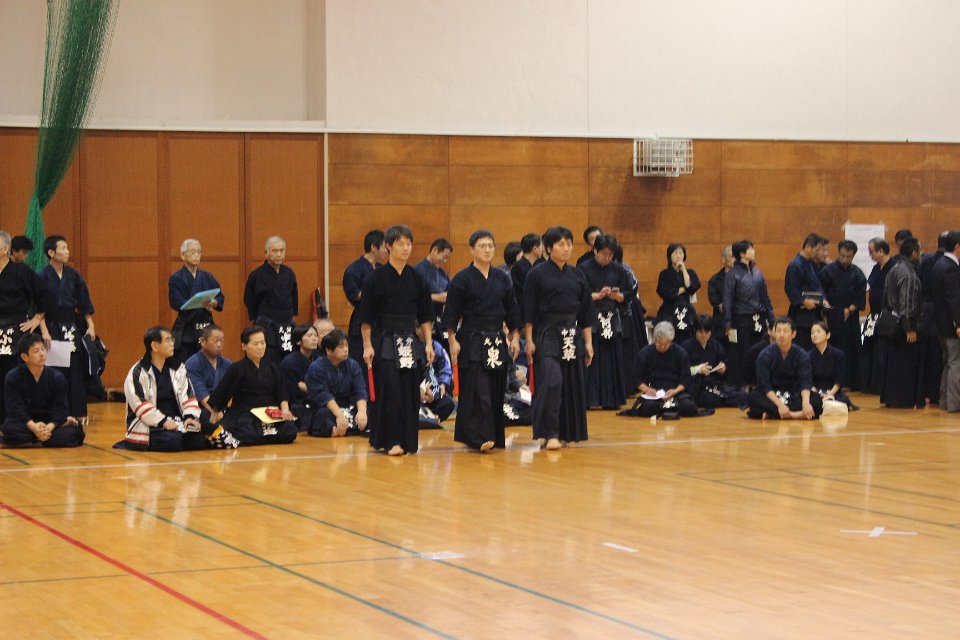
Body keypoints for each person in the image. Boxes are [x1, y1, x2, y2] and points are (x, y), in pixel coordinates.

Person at [442, 229, 522, 452]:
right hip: (472, 339)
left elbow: (513, 311)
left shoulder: (502, 278)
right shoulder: (462, 279)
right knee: (478, 389)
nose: (487, 250)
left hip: (496, 338)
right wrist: (452, 340)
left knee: (495, 390)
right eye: (482, 246)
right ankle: (479, 437)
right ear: (472, 250)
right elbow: (451, 314)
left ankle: (492, 434)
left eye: (490, 246)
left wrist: (515, 337)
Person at [360, 224, 435, 456]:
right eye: (400, 244)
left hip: (410, 340)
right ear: (388, 246)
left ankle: (408, 441)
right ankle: (391, 440)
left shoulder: (417, 277)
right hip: (385, 339)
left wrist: (429, 343)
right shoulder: (376, 278)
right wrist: (367, 345)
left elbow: (425, 315)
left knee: (410, 391)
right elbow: (366, 317)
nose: (405, 248)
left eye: (408, 244)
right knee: (390, 389)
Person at [523, 226, 593, 450]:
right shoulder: (536, 274)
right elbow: (528, 311)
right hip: (546, 334)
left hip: (572, 334)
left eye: (569, 244)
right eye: (561, 244)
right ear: (548, 248)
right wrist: (529, 340)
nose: (566, 249)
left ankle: (565, 433)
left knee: (570, 385)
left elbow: (586, 312)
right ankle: (549, 432)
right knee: (551, 382)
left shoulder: (577, 274)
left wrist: (588, 343)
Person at [120, 326, 213, 452]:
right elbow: (140, 405)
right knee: (172, 441)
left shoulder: (179, 368)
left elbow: (189, 396)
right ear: (154, 346)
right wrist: (163, 421)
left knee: (198, 440)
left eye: (172, 340)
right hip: (149, 425)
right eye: (168, 340)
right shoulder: (138, 372)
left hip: (176, 421)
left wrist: (189, 417)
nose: (172, 343)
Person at [207, 325, 298, 446]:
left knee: (290, 430)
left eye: (263, 343)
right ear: (244, 346)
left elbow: (281, 392)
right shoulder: (237, 368)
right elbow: (222, 393)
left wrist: (285, 410)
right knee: (245, 432)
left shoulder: (272, 368)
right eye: (255, 344)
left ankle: (262, 436)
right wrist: (213, 421)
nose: (260, 347)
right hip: (245, 413)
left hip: (268, 413)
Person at [37, 235, 96, 424]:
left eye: (67, 247)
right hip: (51, 325)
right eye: (63, 248)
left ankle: (78, 411)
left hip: (71, 325)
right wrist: (44, 331)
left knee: (76, 368)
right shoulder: (42, 276)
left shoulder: (73, 275)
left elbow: (84, 301)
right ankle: (57, 412)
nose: (67, 251)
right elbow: (38, 308)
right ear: (51, 252)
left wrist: (90, 324)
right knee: (55, 370)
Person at [0, 230, 53, 422]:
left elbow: (44, 294)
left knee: (12, 375)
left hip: (15, 331)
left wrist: (37, 318)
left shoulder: (21, 272)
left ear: (5, 249)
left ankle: (15, 420)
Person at [578, 234, 633, 409]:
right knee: (592, 355)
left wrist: (618, 296)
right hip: (592, 315)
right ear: (595, 251)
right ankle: (590, 399)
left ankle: (611, 399)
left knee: (612, 356)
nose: (607, 258)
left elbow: (629, 292)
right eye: (603, 254)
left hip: (611, 315)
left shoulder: (618, 269)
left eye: (610, 255)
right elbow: (579, 293)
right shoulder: (584, 268)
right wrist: (597, 295)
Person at [1, 333, 83, 447]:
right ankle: (41, 439)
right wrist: (34, 427)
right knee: (9, 429)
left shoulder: (57, 377)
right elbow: (15, 408)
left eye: (43, 349)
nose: (42, 354)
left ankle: (32, 441)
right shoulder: (13, 377)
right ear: (25, 357)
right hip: (26, 423)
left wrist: (49, 427)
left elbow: (61, 408)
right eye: (36, 351)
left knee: (71, 434)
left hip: (50, 423)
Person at [746, 317, 822, 420]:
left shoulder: (802, 355)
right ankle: (798, 414)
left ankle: (774, 414)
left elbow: (805, 382)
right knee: (753, 398)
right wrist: (780, 405)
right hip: (772, 395)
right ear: (774, 333)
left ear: (793, 334)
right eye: (778, 331)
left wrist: (805, 403)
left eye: (785, 331)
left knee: (817, 400)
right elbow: (764, 386)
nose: (781, 335)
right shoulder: (764, 355)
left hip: (794, 394)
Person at [723, 239, 775, 388]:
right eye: (750, 249)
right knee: (743, 352)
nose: (753, 251)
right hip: (741, 319)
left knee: (760, 349)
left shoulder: (758, 273)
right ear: (741, 254)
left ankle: (759, 382)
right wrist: (728, 323)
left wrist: (771, 317)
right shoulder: (732, 274)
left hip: (759, 318)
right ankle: (743, 384)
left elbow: (765, 297)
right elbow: (728, 300)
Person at [880, 237, 924, 409]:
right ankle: (903, 399)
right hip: (903, 326)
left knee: (894, 363)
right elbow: (907, 303)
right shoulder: (908, 273)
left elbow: (886, 298)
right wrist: (909, 328)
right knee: (905, 364)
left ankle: (892, 397)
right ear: (913, 253)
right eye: (919, 251)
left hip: (892, 322)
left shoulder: (894, 268)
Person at [818, 239, 866, 390]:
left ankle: (851, 383)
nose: (844, 259)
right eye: (842, 255)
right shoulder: (827, 272)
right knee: (834, 348)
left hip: (850, 318)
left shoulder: (858, 274)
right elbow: (822, 295)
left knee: (851, 349)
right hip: (832, 316)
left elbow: (860, 298)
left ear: (853, 256)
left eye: (848, 257)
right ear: (838, 253)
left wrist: (850, 309)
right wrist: (827, 310)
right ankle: (832, 382)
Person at [243, 235, 298, 366]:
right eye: (274, 251)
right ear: (266, 253)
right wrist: (257, 318)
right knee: (268, 359)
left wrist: (291, 316)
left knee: (287, 359)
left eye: (281, 250)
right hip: (267, 324)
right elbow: (249, 299)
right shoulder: (257, 274)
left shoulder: (289, 273)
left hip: (286, 324)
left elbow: (294, 296)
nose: (278, 254)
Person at [304, 328, 369, 437]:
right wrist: (339, 415)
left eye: (347, 346)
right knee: (322, 415)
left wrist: (362, 412)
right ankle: (341, 428)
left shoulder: (352, 365)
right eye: (341, 346)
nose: (346, 349)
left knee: (370, 411)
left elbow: (360, 390)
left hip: (348, 407)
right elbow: (323, 395)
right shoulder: (316, 367)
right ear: (329, 350)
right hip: (326, 408)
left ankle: (344, 428)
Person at [168, 239, 224, 363]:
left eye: (199, 252)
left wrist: (214, 302)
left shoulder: (207, 276)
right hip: (186, 327)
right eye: (193, 252)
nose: (197, 255)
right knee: (184, 365)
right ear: (183, 255)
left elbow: (220, 297)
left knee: (207, 362)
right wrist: (199, 303)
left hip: (205, 325)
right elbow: (176, 302)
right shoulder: (176, 278)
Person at [627, 321, 698, 418]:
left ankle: (666, 409)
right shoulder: (644, 354)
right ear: (654, 339)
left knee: (689, 407)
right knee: (648, 408)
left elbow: (686, 379)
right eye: (659, 344)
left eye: (666, 344)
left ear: (671, 341)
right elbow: (636, 378)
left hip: (676, 392)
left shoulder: (681, 353)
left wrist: (675, 391)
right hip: (654, 393)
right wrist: (647, 389)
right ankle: (671, 409)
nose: (663, 347)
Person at [680, 315, 746, 409]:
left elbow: (725, 361)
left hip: (715, 384)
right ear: (695, 331)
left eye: (707, 332)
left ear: (711, 331)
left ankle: (723, 399)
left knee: (742, 395)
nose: (704, 335)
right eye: (701, 332)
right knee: (709, 399)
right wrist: (698, 369)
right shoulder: (686, 347)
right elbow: (681, 370)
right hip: (698, 386)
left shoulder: (715, 345)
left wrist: (723, 367)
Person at [343, 229, 386, 367]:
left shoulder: (381, 269)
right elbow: (354, 295)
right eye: (384, 247)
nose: (387, 251)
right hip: (361, 322)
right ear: (374, 247)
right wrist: (377, 292)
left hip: (381, 323)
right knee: (361, 364)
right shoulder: (354, 269)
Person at [918, 231, 950, 405]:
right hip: (942, 312)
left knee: (928, 354)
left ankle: (927, 392)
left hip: (925, 311)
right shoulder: (949, 263)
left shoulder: (926, 260)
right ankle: (939, 393)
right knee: (941, 355)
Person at [931, 230, 960, 412]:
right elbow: (954, 299)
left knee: (949, 363)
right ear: (957, 247)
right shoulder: (951, 268)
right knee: (956, 363)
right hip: (951, 326)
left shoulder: (938, 264)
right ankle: (954, 404)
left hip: (940, 324)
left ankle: (945, 401)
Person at [860, 237, 893, 394]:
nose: (870, 255)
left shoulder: (893, 267)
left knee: (882, 350)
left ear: (881, 251)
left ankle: (881, 385)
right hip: (873, 315)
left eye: (872, 251)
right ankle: (869, 384)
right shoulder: (875, 268)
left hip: (886, 316)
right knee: (868, 348)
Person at [184, 324, 231, 429]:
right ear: (203, 341)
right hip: (203, 410)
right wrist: (216, 411)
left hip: (222, 410)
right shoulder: (193, 363)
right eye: (216, 341)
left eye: (221, 341)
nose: (219, 344)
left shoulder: (226, 363)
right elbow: (203, 397)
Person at [784, 234, 827, 349]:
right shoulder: (795, 265)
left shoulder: (810, 264)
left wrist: (823, 300)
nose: (818, 253)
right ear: (808, 247)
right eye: (817, 250)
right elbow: (790, 288)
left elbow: (816, 285)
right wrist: (803, 301)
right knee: (802, 346)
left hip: (813, 313)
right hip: (800, 316)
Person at [656, 242, 701, 344]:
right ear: (669, 256)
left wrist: (683, 269)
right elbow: (664, 292)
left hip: (686, 309)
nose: (678, 256)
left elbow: (691, 287)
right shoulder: (664, 274)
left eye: (681, 253)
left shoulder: (690, 272)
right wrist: (682, 290)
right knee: (669, 338)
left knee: (687, 339)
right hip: (669, 310)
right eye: (675, 253)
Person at [279, 323, 320, 432]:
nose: (314, 338)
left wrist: (307, 387)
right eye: (309, 335)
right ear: (298, 341)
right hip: (297, 404)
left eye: (315, 335)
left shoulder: (318, 359)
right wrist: (313, 388)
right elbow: (291, 390)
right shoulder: (289, 362)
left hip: (316, 401)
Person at [808, 321, 857, 410]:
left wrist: (829, 394)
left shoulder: (838, 355)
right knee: (810, 401)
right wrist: (816, 393)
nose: (815, 335)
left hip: (833, 392)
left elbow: (839, 379)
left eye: (818, 331)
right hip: (815, 392)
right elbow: (808, 379)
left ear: (828, 335)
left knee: (840, 400)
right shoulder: (808, 356)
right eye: (812, 332)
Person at [413, 238, 452, 341]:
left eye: (447, 258)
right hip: (420, 322)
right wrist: (437, 297)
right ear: (435, 250)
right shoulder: (417, 270)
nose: (445, 261)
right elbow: (412, 295)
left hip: (437, 321)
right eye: (443, 257)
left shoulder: (443, 274)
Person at [419, 339, 457, 425]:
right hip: (414, 390)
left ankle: (433, 417)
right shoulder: (413, 345)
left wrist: (442, 384)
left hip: (430, 389)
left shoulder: (436, 346)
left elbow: (444, 367)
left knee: (449, 404)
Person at [512, 232, 544, 325]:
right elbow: (531, 290)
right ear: (535, 249)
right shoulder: (519, 267)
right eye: (541, 246)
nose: (543, 249)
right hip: (526, 313)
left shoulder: (538, 265)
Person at [707, 245, 735, 343]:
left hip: (738, 323)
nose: (735, 260)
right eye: (732, 256)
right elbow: (717, 303)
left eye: (736, 257)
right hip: (721, 323)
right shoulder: (715, 280)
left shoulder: (744, 279)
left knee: (735, 347)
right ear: (723, 259)